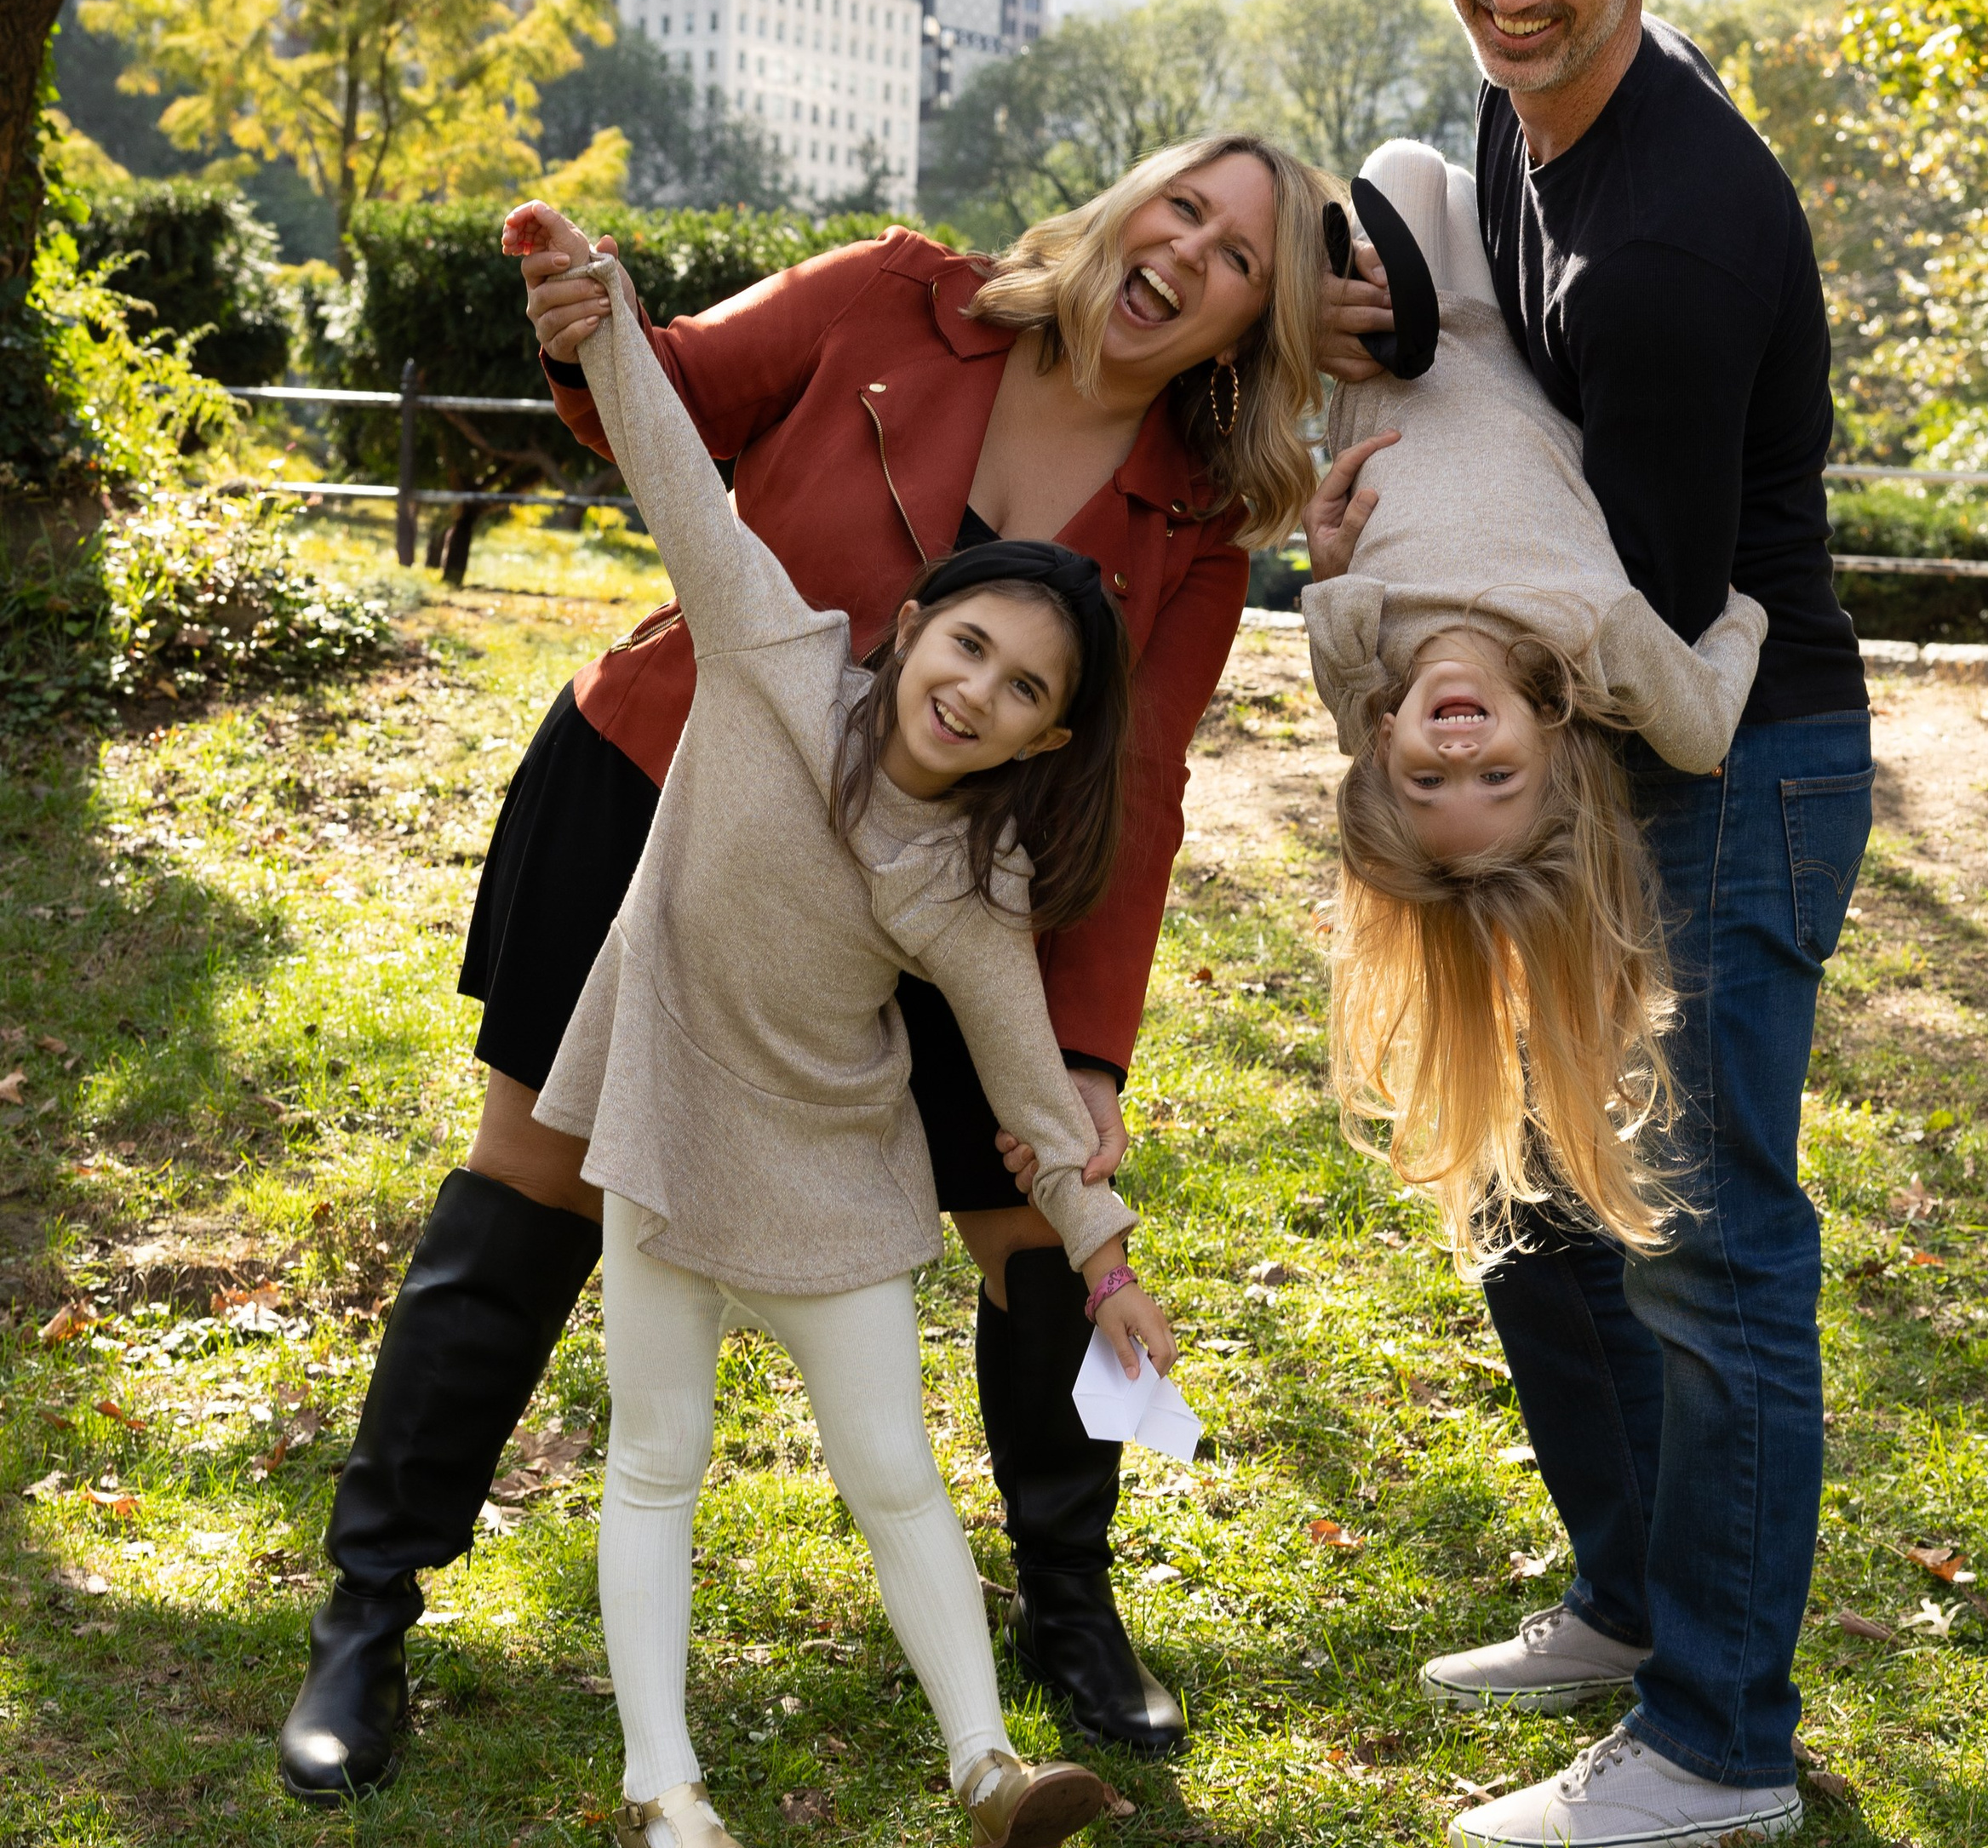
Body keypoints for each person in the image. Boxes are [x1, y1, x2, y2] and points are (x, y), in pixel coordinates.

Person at [278, 134, 1336, 1800]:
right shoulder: (893, 297)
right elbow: (674, 393)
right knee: (532, 1185)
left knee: (1027, 1223)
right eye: (1182, 205)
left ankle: (1069, 1608)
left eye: (1236, 262)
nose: (1188, 251)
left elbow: (1137, 786)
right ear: (1125, 201)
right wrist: (586, 316)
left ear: (1241, 330)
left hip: (936, 889)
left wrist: (1084, 1049)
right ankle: (367, 1615)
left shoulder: (1188, 518)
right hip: (662, 792)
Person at [1325, 0, 1871, 1848]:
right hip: (1598, 728)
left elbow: (1637, 611)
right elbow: (1464, 332)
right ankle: (1636, 1606)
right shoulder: (1510, 109)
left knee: (1708, 1243)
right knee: (1538, 1216)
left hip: (1731, 749)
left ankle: (1718, 1752)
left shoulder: (1673, 237)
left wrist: (1400, 576)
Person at [515, 222, 1172, 1848]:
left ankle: (991, 1768)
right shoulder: (772, 653)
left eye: (1024, 691)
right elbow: (671, 460)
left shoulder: (967, 877)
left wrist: (1105, 1261)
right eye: (971, 645)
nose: (979, 693)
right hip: (672, 1111)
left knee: (891, 1465)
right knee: (656, 1455)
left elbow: (1032, 1088)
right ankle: (666, 1793)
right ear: (923, 619)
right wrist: (600, 317)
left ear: (1046, 735)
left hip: (831, 1162)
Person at [1298, 135, 1767, 1274]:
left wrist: (1320, 556)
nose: (1458, 745)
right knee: (1471, 178)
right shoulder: (1590, 644)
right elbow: (1701, 721)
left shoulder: (1363, 660)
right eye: (1493, 775)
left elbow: (1323, 587)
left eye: (1428, 775)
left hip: (1396, 354)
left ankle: (1360, 283)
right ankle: (1392, 272)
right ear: (1552, 759)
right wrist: (1754, 605)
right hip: (1516, 337)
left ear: (1383, 749)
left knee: (1406, 167)